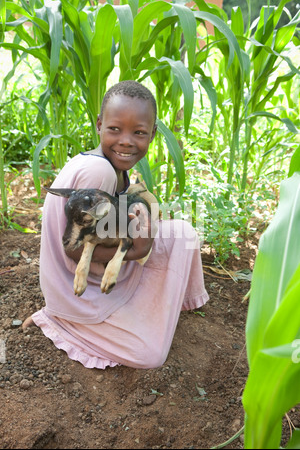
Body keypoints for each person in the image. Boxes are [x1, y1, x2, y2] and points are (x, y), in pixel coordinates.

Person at [23, 80, 209, 369]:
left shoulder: (116, 169)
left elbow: (117, 225)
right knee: (150, 355)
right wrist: (135, 251)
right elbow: (74, 248)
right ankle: (63, 320)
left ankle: (165, 307)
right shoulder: (98, 172)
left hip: (106, 261)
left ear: (152, 134)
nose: (126, 140)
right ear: (99, 125)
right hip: (79, 287)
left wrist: (143, 208)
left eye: (138, 132)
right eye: (115, 129)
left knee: (182, 233)